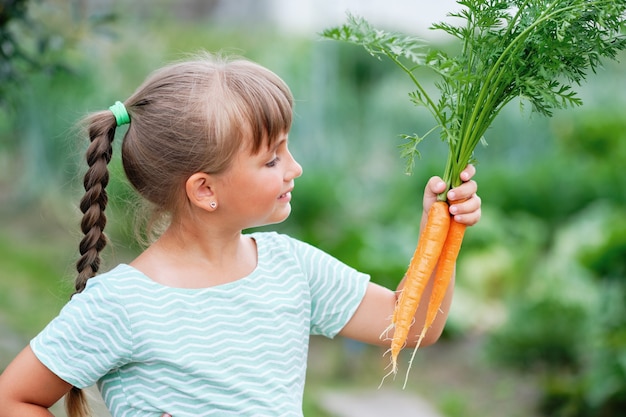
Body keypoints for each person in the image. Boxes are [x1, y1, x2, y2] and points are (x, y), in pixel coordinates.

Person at [0, 52, 481, 417]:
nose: (295, 168)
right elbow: (15, 398)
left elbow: (412, 327)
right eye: (271, 159)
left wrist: (438, 231)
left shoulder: (292, 267)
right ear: (205, 189)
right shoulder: (123, 303)